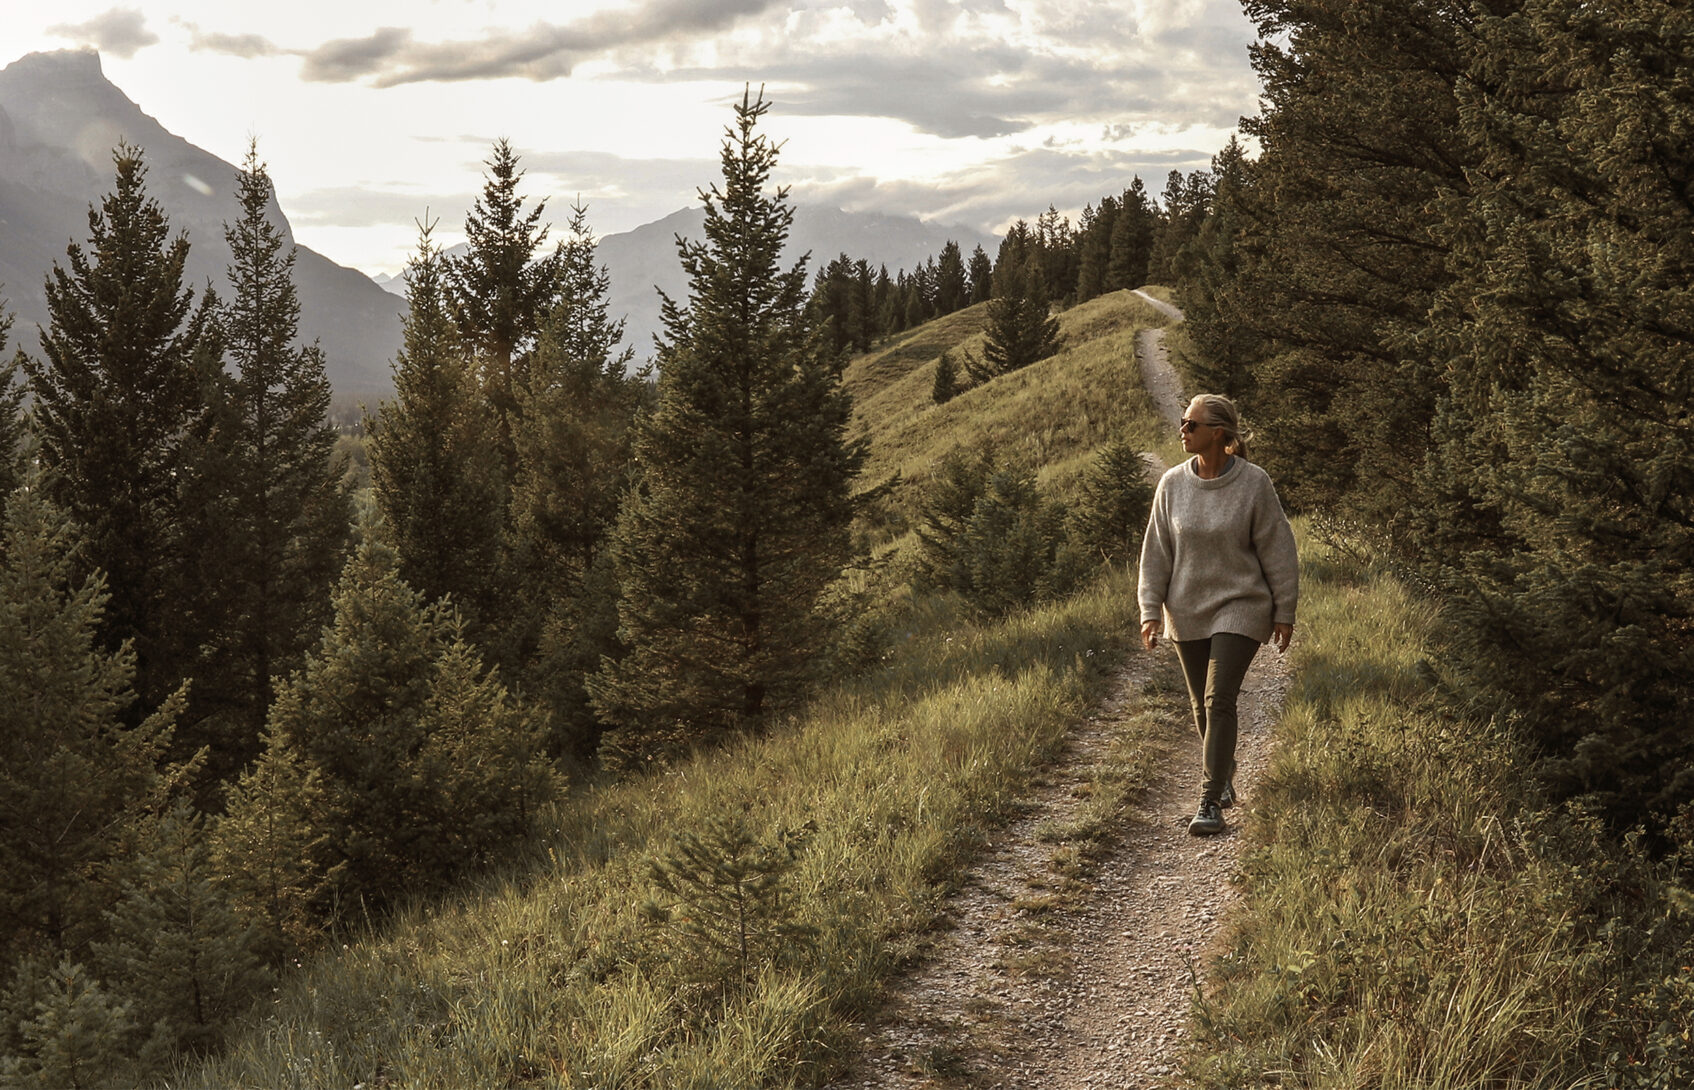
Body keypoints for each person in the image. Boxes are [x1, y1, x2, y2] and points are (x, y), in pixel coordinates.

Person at [1138, 394, 1298, 836]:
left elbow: (1279, 548)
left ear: (1218, 433)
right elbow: (1156, 553)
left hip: (1242, 604)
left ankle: (1210, 801)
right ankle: (1223, 772)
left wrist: (1284, 610)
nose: (1183, 430)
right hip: (1186, 607)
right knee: (1200, 705)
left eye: (1191, 424)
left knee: (1218, 697)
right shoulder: (1172, 484)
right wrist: (1150, 611)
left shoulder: (1254, 483)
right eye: (1183, 422)